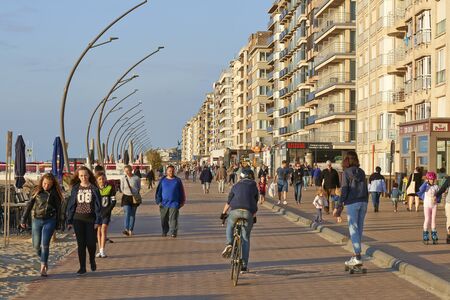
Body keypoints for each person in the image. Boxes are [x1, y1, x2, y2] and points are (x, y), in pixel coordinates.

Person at [20, 173, 65, 277]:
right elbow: (29, 205)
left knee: (45, 245)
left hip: (50, 220)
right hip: (36, 219)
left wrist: (58, 223)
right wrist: (23, 219)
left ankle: (43, 266)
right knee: (36, 246)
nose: (46, 186)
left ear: (53, 184)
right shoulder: (36, 190)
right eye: (45, 183)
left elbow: (59, 210)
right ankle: (43, 259)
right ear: (41, 182)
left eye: (49, 184)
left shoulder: (55, 193)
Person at [334, 151, 368, 268]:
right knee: (359, 229)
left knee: (353, 229)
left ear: (346, 160)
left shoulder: (346, 173)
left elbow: (344, 190)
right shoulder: (362, 172)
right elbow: (365, 188)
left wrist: (339, 206)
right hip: (363, 202)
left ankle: (358, 257)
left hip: (352, 202)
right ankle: (355, 255)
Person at [220, 169, 258, 273]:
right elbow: (255, 202)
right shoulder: (254, 186)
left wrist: (223, 214)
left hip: (235, 211)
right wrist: (253, 217)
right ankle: (244, 266)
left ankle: (229, 243)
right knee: (245, 238)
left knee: (230, 226)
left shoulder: (235, 186)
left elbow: (228, 202)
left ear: (240, 177)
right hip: (248, 212)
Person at [67, 166, 102, 276]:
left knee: (91, 243)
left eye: (85, 175)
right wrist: (69, 220)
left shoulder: (94, 189)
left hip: (91, 219)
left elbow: (98, 206)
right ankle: (82, 267)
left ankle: (92, 260)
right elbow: (72, 205)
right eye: (81, 175)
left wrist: (97, 220)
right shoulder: (76, 188)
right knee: (81, 244)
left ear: (89, 175)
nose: (83, 177)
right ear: (78, 176)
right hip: (78, 219)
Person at [155, 165, 186, 238]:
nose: (171, 172)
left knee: (173, 218)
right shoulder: (163, 180)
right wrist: (158, 201)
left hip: (174, 203)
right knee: (164, 219)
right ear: (166, 171)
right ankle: (165, 231)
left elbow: (181, 191)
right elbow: (158, 191)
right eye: (169, 171)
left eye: (172, 171)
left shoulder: (177, 180)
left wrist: (182, 201)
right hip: (163, 203)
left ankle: (173, 232)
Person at [95, 172, 116, 258]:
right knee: (99, 231)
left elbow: (113, 201)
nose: (102, 180)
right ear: (97, 180)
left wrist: (108, 210)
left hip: (106, 212)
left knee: (104, 229)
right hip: (97, 213)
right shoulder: (95, 189)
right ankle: (99, 249)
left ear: (105, 179)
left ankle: (102, 250)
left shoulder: (110, 188)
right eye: (99, 179)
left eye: (103, 178)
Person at [417, 172, 440, 244]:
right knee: (427, 219)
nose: (432, 181)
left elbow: (439, 195)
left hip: (434, 205)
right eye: (430, 179)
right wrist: (425, 182)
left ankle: (433, 234)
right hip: (426, 205)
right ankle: (425, 234)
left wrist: (437, 198)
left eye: (433, 179)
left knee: (433, 219)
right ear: (428, 179)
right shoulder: (425, 186)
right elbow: (420, 190)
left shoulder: (436, 186)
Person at [120, 165, 141, 237]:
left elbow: (139, 187)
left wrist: (134, 192)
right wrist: (126, 192)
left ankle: (130, 230)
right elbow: (121, 188)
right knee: (127, 213)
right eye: (125, 171)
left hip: (134, 197)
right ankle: (126, 229)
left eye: (128, 171)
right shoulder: (123, 178)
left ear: (131, 170)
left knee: (132, 214)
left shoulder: (136, 178)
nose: (127, 172)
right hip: (126, 197)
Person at [436, 175, 450, 244]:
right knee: (449, 220)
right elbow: (442, 189)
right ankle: (449, 234)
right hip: (449, 203)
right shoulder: (449, 179)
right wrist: (436, 195)